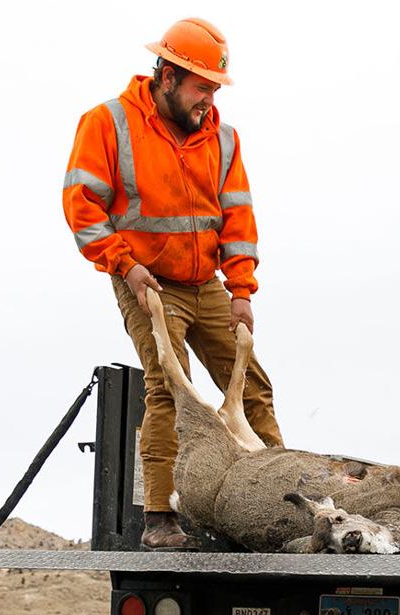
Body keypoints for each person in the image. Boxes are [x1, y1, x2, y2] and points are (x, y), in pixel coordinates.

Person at [63, 18, 284, 549]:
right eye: (201, 86)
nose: (208, 98)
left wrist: (241, 292)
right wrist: (123, 264)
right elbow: (81, 205)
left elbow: (236, 219)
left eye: (214, 88)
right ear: (167, 75)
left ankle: (283, 499)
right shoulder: (107, 123)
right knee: (169, 389)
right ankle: (160, 519)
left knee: (252, 383)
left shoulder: (223, 139)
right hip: (145, 281)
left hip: (204, 283)